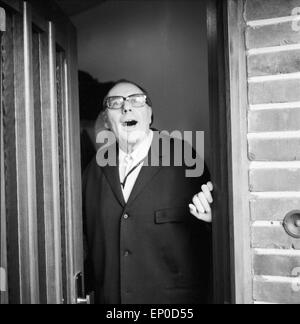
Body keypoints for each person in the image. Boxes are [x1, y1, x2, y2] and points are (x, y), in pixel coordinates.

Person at [82, 80, 214, 304]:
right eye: (115, 103)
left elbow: (216, 236)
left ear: (150, 114)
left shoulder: (185, 158)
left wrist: (212, 220)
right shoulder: (93, 169)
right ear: (105, 119)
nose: (126, 108)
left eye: (136, 101)